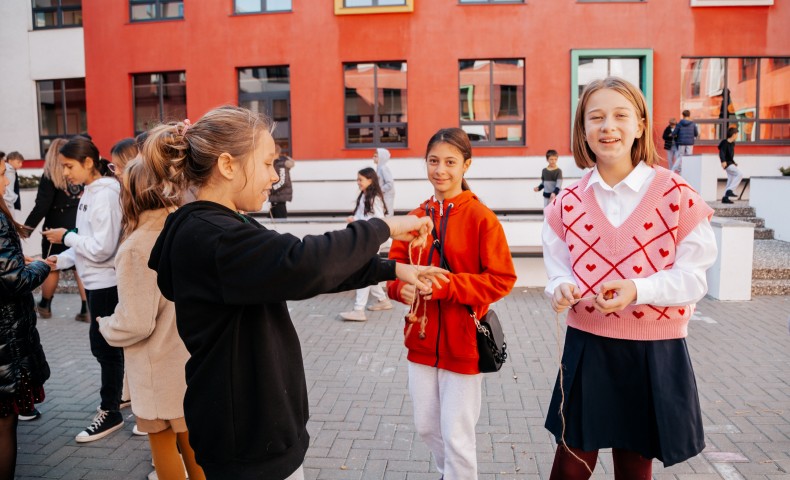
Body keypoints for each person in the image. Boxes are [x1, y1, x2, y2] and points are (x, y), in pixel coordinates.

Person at [145, 105, 446, 479]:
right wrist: (384, 227)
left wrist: (392, 268)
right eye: (268, 163)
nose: (274, 177)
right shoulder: (213, 237)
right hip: (249, 443)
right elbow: (305, 263)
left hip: (256, 434)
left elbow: (301, 270)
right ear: (227, 165)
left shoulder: (224, 227)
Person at [542, 77, 717, 479]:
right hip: (587, 346)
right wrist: (559, 288)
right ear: (582, 130)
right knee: (570, 466)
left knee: (634, 470)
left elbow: (694, 279)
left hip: (652, 351)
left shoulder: (677, 195)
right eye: (596, 117)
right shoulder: (565, 203)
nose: (608, 127)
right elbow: (556, 270)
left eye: (621, 115)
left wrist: (638, 290)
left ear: (640, 124)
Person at [387, 128, 517, 479]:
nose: (440, 170)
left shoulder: (481, 218)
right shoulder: (414, 218)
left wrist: (445, 287)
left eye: (449, 162)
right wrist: (401, 290)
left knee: (457, 437)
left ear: (466, 165)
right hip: (421, 341)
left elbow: (502, 279)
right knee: (427, 428)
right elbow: (391, 273)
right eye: (433, 161)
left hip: (463, 345)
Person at [98, 157, 204, 480]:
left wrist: (106, 326)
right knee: (192, 446)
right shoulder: (184, 226)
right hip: (188, 358)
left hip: (157, 368)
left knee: (163, 449)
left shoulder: (137, 246)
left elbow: (136, 321)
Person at [42, 136, 125, 443]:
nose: (65, 172)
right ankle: (118, 401)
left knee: (106, 349)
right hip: (96, 283)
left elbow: (103, 248)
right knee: (105, 348)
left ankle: (111, 410)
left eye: (69, 166)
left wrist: (67, 237)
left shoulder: (105, 194)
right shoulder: (91, 191)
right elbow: (87, 244)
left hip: (106, 284)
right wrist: (58, 259)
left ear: (89, 163)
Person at [0, 156, 51, 480]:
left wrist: (19, 260)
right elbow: (12, 281)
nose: (6, 182)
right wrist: (40, 266)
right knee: (4, 425)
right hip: (5, 338)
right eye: (1, 175)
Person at [24, 138, 89, 324]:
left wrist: (26, 229)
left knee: (51, 265)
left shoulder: (50, 175)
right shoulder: (79, 175)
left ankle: (45, 305)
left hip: (55, 227)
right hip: (77, 224)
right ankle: (87, 308)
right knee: (79, 265)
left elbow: (41, 206)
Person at [339, 167, 392, 321]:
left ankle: (358, 310)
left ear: (370, 180)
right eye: (358, 179)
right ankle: (383, 300)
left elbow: (379, 219)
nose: (358, 183)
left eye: (360, 179)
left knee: (363, 271)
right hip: (369, 238)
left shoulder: (373, 198)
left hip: (372, 239)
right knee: (369, 271)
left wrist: (355, 220)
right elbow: (363, 215)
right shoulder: (365, 196)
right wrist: (354, 218)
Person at [268, 145, 294, 218]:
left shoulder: (281, 164)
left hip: (279, 198)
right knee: (274, 219)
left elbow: (282, 182)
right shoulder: (276, 163)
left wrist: (270, 189)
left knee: (280, 220)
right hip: (276, 198)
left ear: (274, 153)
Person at [671, 110, 699, 174]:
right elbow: (696, 134)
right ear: (689, 115)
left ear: (683, 115)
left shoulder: (679, 124)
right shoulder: (693, 124)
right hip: (690, 143)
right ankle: (688, 171)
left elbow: (674, 133)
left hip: (681, 142)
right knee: (689, 157)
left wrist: (675, 136)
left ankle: (673, 170)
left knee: (680, 156)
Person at [719, 127, 742, 204]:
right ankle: (730, 190)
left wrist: (733, 162)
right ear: (733, 134)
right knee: (739, 174)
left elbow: (730, 156)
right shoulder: (724, 142)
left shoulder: (732, 143)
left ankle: (725, 197)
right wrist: (723, 161)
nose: (737, 136)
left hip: (730, 163)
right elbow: (721, 152)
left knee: (731, 179)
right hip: (726, 163)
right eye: (737, 134)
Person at [374, 147, 395, 216]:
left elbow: (389, 183)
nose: (373, 158)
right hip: (382, 195)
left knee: (387, 213)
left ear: (381, 157)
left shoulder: (383, 168)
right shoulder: (379, 168)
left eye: (376, 156)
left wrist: (380, 190)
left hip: (387, 195)